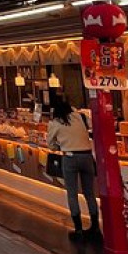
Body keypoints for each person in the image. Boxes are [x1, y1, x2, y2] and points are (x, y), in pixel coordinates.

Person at [47, 99, 99, 241]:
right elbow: (92, 128)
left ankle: (78, 230)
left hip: (70, 157)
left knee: (72, 194)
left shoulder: (55, 122)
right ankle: (95, 227)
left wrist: (62, 146)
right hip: (87, 157)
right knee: (89, 194)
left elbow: (50, 145)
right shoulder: (81, 116)